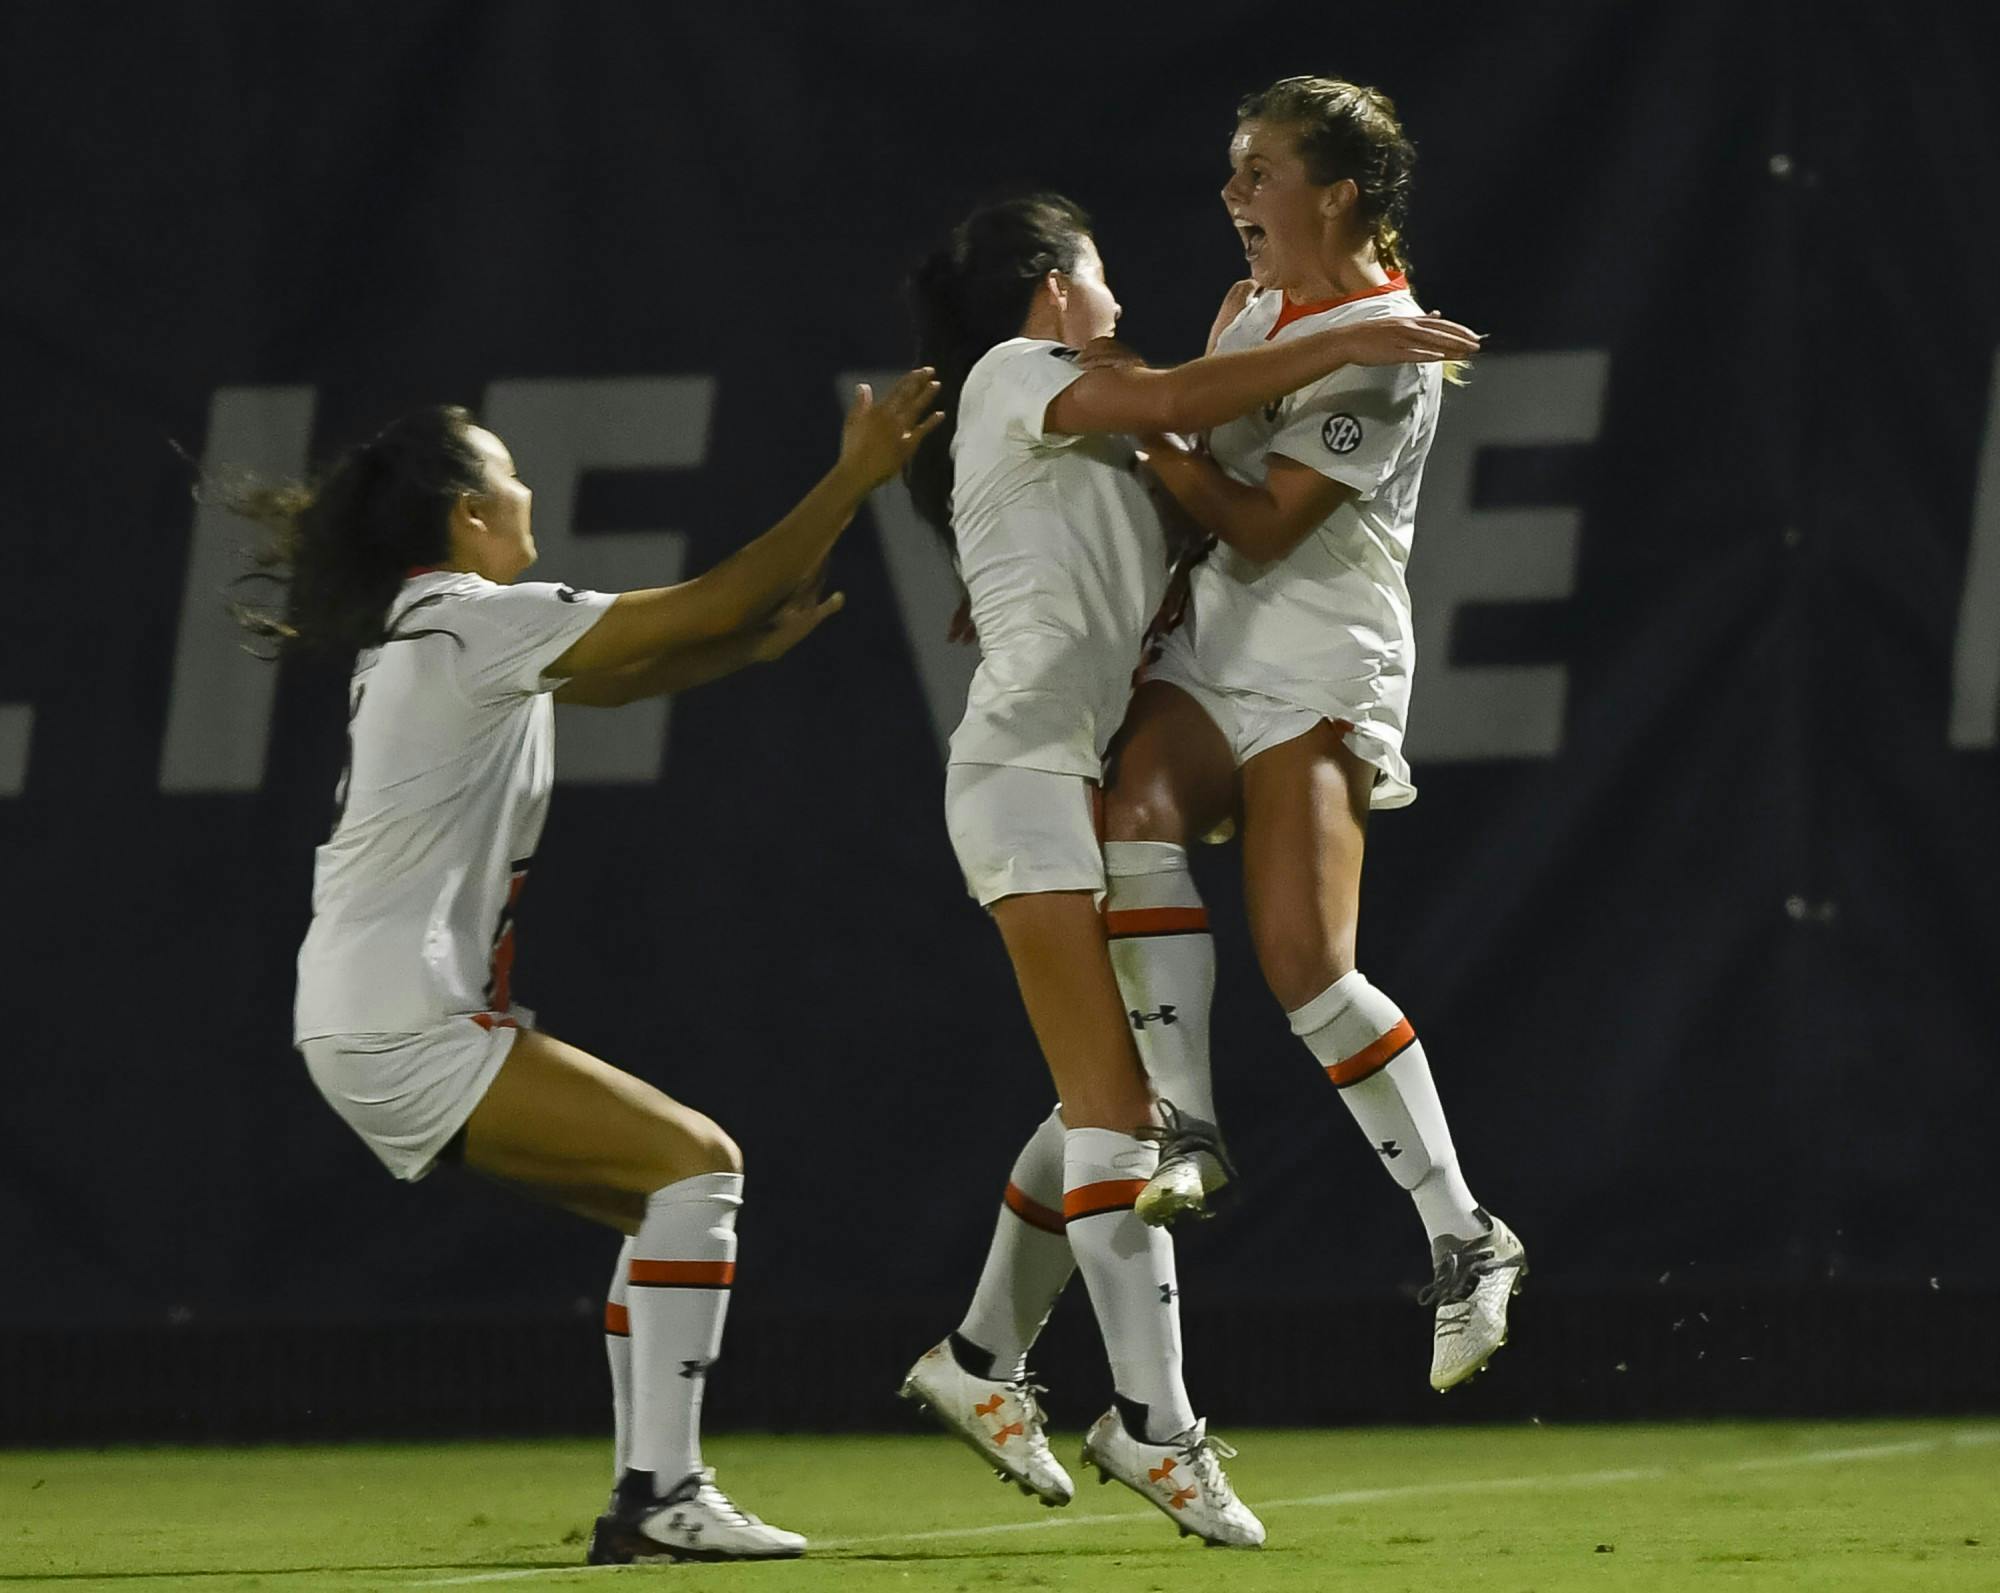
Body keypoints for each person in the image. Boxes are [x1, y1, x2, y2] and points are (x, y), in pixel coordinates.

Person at [226, 378, 941, 1565]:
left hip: (368, 1018)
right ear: (465, 515)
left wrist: (736, 653)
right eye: (505, 472)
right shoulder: (472, 620)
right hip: (402, 1023)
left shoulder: (438, 628)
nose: (524, 488)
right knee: (696, 1165)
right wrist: (853, 479)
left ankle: (652, 1494)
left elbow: (618, 672)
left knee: (666, 1203)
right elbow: (715, 594)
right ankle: (659, 1494)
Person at [892, 193, 1477, 1545]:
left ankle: (980, 1362)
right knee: (1123, 1123)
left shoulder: (1085, 424)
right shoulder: (1021, 370)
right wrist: (1364, 332)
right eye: (1093, 273)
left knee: (1101, 1102)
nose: (1111, 297)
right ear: (1050, 289)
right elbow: (1183, 392)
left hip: (1060, 776)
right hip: (1024, 784)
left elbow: (1192, 494)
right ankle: (1157, 1430)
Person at [1106, 74, 1527, 1393]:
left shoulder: (1387, 339)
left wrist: (1140, 420)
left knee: (1305, 965)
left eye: (1258, 173)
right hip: (1212, 644)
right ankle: (1188, 1123)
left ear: (1336, 192)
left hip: (1324, 661)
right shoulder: (1253, 306)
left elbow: (1262, 518)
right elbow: (1197, 499)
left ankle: (1467, 1237)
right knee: (1130, 818)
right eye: (1233, 174)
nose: (1234, 197)